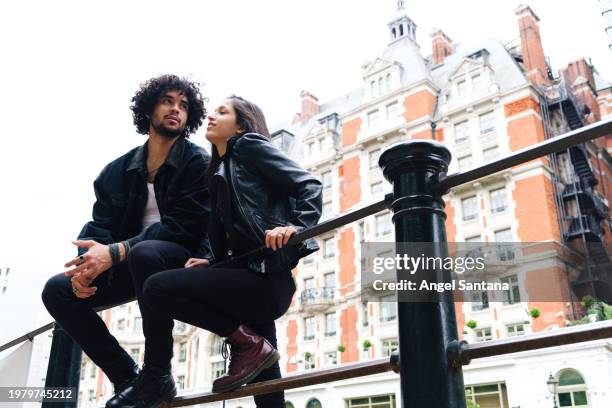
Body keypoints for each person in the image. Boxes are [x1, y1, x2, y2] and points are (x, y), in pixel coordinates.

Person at [41, 75, 211, 408]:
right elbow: (99, 227)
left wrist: (116, 251)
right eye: (168, 101)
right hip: (132, 262)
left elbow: (184, 227)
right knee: (56, 289)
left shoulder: (197, 163)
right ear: (149, 108)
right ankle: (129, 378)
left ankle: (157, 373)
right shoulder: (115, 173)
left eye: (184, 105)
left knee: (145, 253)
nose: (176, 109)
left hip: (183, 261)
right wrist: (85, 271)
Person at [141, 95, 323, 406]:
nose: (211, 117)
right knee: (269, 391)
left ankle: (243, 342)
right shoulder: (219, 170)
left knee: (156, 288)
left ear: (240, 127)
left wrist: (294, 226)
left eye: (222, 112)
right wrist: (211, 260)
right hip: (246, 277)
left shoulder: (249, 145)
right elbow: (230, 232)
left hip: (265, 280)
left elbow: (310, 185)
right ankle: (250, 345)